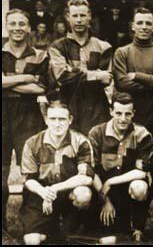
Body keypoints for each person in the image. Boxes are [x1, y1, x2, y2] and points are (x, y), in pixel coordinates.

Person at [19, 100, 95, 245]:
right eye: (53, 119)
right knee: (32, 240)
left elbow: (86, 178)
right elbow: (29, 179)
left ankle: (76, 227)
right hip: (40, 194)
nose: (57, 123)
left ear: (70, 120)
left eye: (62, 119)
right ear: (46, 120)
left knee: (84, 194)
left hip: (68, 193)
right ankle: (53, 231)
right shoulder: (32, 143)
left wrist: (54, 189)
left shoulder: (81, 141)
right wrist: (44, 192)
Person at [2, 8, 50, 232]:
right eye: (12, 24)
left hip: (29, 115)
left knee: (32, 169)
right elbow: (32, 83)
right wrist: (27, 78)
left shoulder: (40, 54)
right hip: (2, 113)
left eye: (22, 24)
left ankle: (32, 225)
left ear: (29, 28)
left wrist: (7, 81)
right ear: (6, 26)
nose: (17, 28)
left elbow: (42, 86)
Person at [88, 92, 153, 243]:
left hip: (127, 186)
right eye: (118, 113)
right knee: (101, 236)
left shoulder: (142, 134)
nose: (123, 119)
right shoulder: (97, 133)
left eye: (127, 114)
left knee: (140, 187)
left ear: (133, 114)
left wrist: (111, 182)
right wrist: (105, 200)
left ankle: (137, 227)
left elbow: (141, 171)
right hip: (102, 190)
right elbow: (91, 170)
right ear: (110, 111)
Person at [48, 0, 113, 135]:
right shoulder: (57, 47)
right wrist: (94, 75)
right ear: (68, 17)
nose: (79, 20)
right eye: (75, 16)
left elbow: (106, 79)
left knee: (95, 147)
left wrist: (73, 70)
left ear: (89, 16)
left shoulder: (103, 46)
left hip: (96, 106)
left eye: (82, 15)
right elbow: (62, 77)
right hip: (68, 103)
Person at [113, 7, 153, 140]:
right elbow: (122, 83)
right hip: (131, 114)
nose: (144, 27)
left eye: (148, 23)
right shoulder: (122, 52)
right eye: (140, 23)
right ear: (133, 26)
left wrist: (137, 76)